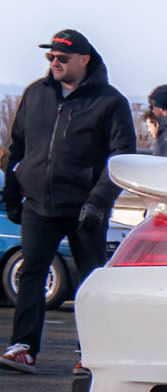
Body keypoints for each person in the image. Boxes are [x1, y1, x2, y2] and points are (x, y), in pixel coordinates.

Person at [1, 30, 135, 373]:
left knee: (90, 280)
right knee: (31, 272)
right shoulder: (35, 94)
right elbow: (17, 149)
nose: (55, 63)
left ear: (84, 60)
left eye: (62, 57)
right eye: (51, 57)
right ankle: (23, 347)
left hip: (85, 208)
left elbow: (121, 158)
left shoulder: (110, 102)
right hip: (38, 204)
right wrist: (12, 192)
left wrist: (98, 201)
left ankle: (91, 352)